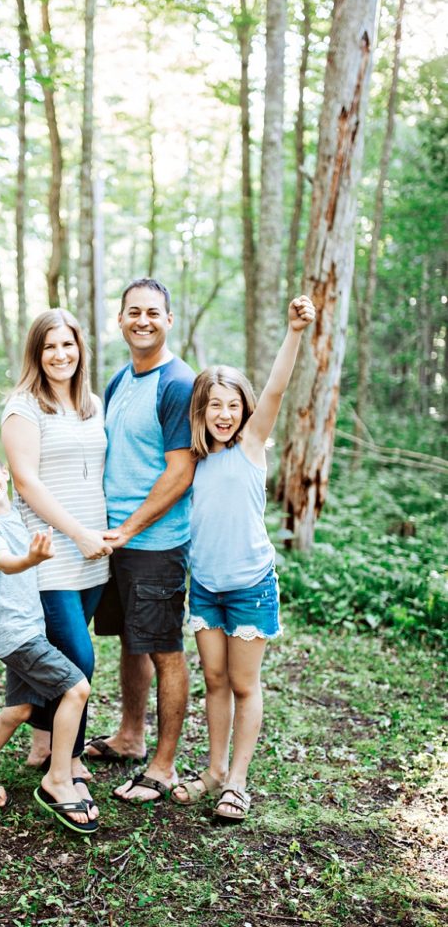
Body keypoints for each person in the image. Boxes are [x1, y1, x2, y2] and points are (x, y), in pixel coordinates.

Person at [171, 295, 315, 821]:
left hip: (251, 585)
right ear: (201, 412)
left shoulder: (252, 445)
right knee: (213, 680)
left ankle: (237, 781)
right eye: (215, 405)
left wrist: (295, 330)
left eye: (233, 405)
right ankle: (212, 771)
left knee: (243, 683)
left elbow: (276, 385)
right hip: (205, 586)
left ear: (244, 410)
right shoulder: (194, 459)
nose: (225, 414)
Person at [0, 445, 99, 834]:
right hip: (17, 636)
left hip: (26, 631)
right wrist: (30, 560)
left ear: (4, 471)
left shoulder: (15, 511)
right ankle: (59, 777)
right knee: (76, 688)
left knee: (19, 710)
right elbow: (5, 562)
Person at [86, 277, 196, 803]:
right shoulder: (119, 380)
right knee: (132, 641)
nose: (143, 320)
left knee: (164, 649)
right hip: (116, 542)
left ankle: (165, 765)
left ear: (169, 320)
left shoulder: (178, 384)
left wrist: (130, 527)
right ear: (121, 319)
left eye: (153, 312)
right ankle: (130, 737)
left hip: (156, 545)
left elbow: (181, 471)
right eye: (133, 312)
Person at [1, 310, 111, 816]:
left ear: (80, 349)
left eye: (68, 344)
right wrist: (78, 533)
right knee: (78, 661)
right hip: (51, 551)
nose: (60, 354)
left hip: (93, 555)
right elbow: (26, 482)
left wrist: (100, 534)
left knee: (64, 651)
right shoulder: (24, 408)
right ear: (36, 353)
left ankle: (42, 743)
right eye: (49, 346)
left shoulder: (91, 404)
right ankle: (61, 768)